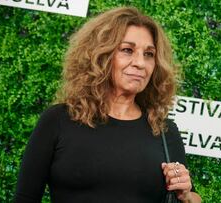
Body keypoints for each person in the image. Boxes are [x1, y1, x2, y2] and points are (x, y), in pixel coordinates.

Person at [14, 6, 201, 203]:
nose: (140, 63)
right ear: (101, 56)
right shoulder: (58, 120)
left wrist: (187, 195)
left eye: (149, 54)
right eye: (127, 50)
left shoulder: (164, 130)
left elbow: (192, 197)